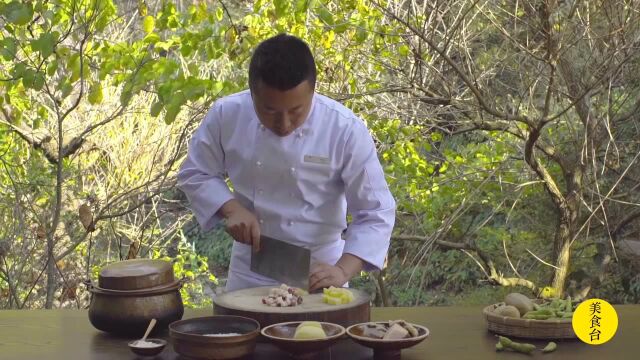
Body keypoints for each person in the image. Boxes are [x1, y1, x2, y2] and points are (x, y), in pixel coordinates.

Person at [177, 33, 395, 292]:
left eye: (296, 111)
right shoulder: (227, 115)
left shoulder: (344, 129)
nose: (284, 124)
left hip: (322, 271)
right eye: (269, 111)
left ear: (313, 91)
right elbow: (196, 172)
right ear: (252, 93)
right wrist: (231, 208)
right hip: (250, 271)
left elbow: (376, 211)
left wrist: (342, 270)